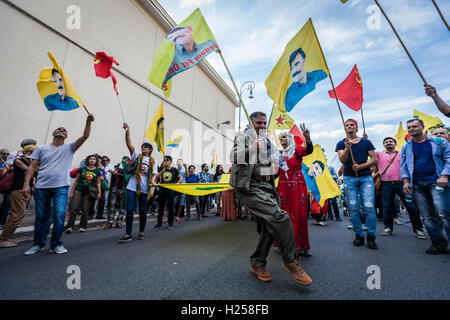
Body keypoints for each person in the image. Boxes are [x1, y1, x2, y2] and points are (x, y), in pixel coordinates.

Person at [230, 111, 312, 286]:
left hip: (268, 187)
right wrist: (252, 148)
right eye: (259, 123)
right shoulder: (244, 138)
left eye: (264, 123)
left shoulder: (267, 143)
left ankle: (257, 263)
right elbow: (234, 157)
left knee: (269, 226)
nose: (262, 126)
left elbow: (272, 164)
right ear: (251, 123)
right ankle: (290, 261)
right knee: (280, 217)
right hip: (250, 187)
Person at [22, 114, 95, 255]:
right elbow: (32, 167)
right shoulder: (41, 149)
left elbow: (85, 136)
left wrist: (88, 122)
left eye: (64, 130)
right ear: (53, 133)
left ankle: (56, 245)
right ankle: (38, 244)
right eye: (59, 129)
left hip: (61, 187)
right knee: (41, 217)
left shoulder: (69, 147)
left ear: (66, 136)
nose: (61, 130)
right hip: (42, 187)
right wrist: (27, 184)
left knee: (60, 215)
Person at [401, 118, 449, 254]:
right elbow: (403, 165)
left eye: (414, 126)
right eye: (409, 127)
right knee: (427, 216)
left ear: (422, 127)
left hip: (437, 182)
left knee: (444, 213)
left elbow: (448, 158)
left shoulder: (438, 142)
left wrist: (444, 175)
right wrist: (405, 181)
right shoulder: (406, 146)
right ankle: (438, 244)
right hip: (417, 184)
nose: (411, 129)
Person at [336, 119, 378, 249]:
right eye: (346, 125)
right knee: (353, 208)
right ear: (344, 128)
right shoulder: (340, 143)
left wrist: (361, 166)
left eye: (351, 125)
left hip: (365, 178)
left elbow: (374, 159)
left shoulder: (366, 142)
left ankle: (371, 235)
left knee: (369, 206)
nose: (349, 126)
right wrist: (347, 149)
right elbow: (342, 160)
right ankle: (358, 234)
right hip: (349, 178)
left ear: (356, 127)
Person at [375, 137, 426, 239]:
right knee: (387, 207)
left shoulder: (402, 153)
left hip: (403, 183)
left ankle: (418, 229)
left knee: (411, 207)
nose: (388, 143)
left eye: (391, 141)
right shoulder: (379, 155)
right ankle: (388, 227)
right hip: (386, 184)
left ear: (395, 143)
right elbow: (370, 152)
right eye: (386, 142)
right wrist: (364, 139)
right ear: (383, 145)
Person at [277, 127, 313, 257]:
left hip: (297, 188)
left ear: (290, 139)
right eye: (281, 137)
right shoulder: (280, 155)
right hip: (283, 189)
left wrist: (307, 138)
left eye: (284, 137)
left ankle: (301, 245)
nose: (282, 139)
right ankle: (286, 245)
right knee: (284, 217)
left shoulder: (297, 150)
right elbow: (276, 173)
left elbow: (309, 150)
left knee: (299, 216)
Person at [119, 123, 157, 243]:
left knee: (142, 210)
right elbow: (129, 144)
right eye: (142, 147)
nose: (143, 148)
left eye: (145, 147)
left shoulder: (152, 161)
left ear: (150, 149)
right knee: (130, 209)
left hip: (145, 189)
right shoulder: (137, 156)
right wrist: (127, 131)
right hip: (132, 186)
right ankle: (128, 233)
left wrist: (153, 181)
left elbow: (154, 174)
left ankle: (141, 231)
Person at [0, 145, 36, 247]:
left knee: (18, 215)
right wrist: (33, 162)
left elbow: (35, 175)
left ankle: (7, 237)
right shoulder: (18, 160)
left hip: (27, 191)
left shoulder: (32, 163)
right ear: (27, 152)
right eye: (32, 152)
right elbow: (30, 171)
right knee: (17, 215)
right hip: (18, 190)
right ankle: (3, 239)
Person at [65, 155, 102, 233]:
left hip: (89, 192)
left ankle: (82, 226)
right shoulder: (82, 169)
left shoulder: (98, 171)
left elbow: (98, 183)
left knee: (85, 210)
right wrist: (71, 192)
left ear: (96, 161)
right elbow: (76, 181)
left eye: (94, 159)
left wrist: (99, 192)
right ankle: (69, 227)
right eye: (90, 159)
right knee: (74, 208)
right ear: (88, 160)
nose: (92, 160)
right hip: (79, 190)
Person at [284, 48, 327, 112]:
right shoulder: (290, 94)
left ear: (304, 61)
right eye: (291, 68)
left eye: (296, 64)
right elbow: (287, 111)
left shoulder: (320, 74)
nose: (294, 70)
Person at [152, 155, 182, 230]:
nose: (166, 161)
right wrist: (161, 172)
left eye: (167, 160)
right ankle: (159, 223)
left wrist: (177, 184)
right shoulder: (162, 169)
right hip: (162, 190)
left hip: (171, 190)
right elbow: (156, 177)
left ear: (171, 161)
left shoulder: (174, 170)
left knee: (171, 207)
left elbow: (180, 178)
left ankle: (170, 223)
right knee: (161, 207)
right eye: (165, 160)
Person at [104, 157, 130, 229]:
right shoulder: (117, 166)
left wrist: (116, 173)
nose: (124, 162)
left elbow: (127, 176)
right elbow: (114, 175)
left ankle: (119, 222)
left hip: (124, 189)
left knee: (122, 207)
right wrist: (115, 172)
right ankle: (109, 222)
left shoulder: (130, 168)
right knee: (111, 206)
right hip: (115, 189)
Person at [174, 159, 187, 223]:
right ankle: (168, 216)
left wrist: (186, 167)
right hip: (176, 188)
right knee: (173, 201)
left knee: (181, 203)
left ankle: (177, 216)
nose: (178, 162)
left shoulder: (184, 170)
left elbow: (187, 176)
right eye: (177, 161)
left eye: (180, 161)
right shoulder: (175, 170)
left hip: (183, 188)